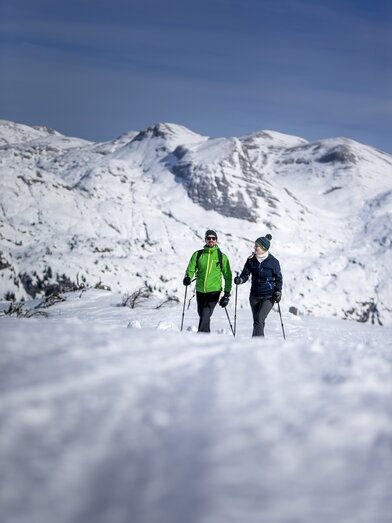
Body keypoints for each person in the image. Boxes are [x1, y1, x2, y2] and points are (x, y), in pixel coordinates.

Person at [183, 229, 232, 333]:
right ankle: (206, 339)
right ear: (205, 240)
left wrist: (227, 293)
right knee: (202, 314)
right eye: (209, 238)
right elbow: (191, 269)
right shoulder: (198, 254)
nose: (211, 240)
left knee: (205, 312)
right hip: (200, 290)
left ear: (216, 240)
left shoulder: (221, 257)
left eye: (213, 238)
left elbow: (228, 275)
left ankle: (202, 336)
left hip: (214, 290)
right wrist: (188, 277)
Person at [234, 234, 282, 337]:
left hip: (268, 296)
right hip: (254, 296)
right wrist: (240, 280)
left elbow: (278, 279)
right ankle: (256, 345)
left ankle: (257, 345)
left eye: (257, 246)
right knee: (258, 322)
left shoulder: (273, 262)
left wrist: (278, 291)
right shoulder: (251, 260)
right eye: (255, 245)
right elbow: (245, 275)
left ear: (264, 248)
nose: (254, 247)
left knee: (259, 320)